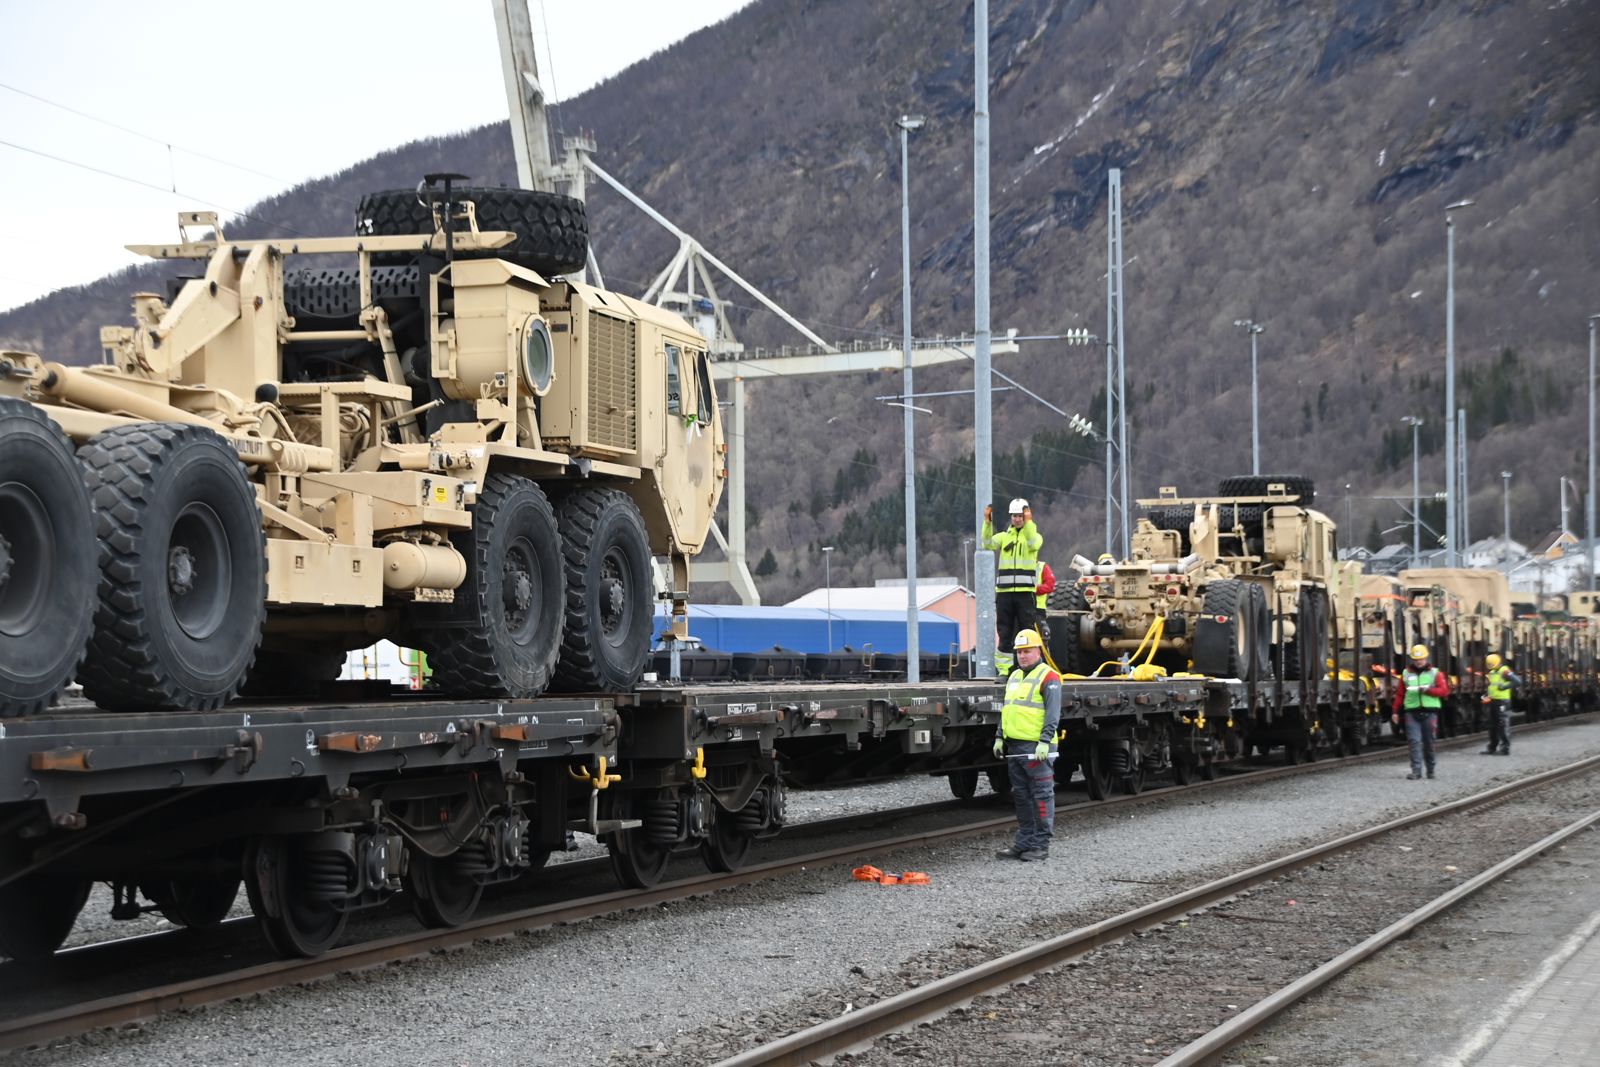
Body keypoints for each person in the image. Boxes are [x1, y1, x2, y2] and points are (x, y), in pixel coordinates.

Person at [993, 628, 1061, 861]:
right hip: (1015, 747)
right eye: (1019, 652)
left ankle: (1040, 846)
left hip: (1036, 749)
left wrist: (1044, 741)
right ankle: (1023, 844)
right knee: (1021, 796)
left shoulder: (1049, 677)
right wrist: (1000, 736)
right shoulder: (1014, 676)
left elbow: (1053, 714)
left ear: (1038, 651)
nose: (1022, 656)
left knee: (1041, 796)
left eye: (1027, 651)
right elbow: (1008, 710)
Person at [982, 498, 1044, 652]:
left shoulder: (1034, 537)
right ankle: (1005, 671)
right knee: (1005, 633)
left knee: (1027, 632)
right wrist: (987, 523)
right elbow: (987, 543)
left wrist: (1029, 524)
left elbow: (1032, 543)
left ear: (1026, 517)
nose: (1017, 519)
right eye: (1014, 516)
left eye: (1020, 516)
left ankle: (1028, 667)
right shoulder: (1004, 537)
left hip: (1025, 594)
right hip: (1004, 594)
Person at [1392, 643, 1449, 780]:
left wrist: (1428, 690)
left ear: (1426, 658)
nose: (1419, 662)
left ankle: (1430, 770)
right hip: (1411, 712)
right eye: (1416, 659)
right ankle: (1416, 771)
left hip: (1430, 713)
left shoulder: (1435, 673)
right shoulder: (1406, 674)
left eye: (1421, 659)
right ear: (1412, 660)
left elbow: (1444, 691)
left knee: (1429, 742)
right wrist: (1395, 711)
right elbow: (1400, 694)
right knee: (1414, 742)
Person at [1482, 653, 1521, 756]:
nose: (1489, 666)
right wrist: (1486, 695)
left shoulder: (1504, 671)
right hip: (1493, 701)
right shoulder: (1493, 672)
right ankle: (1492, 747)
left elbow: (1517, 681)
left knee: (1502, 724)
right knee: (1492, 725)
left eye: (1490, 664)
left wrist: (1504, 687)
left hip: (1502, 702)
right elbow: (1492, 686)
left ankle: (1505, 749)